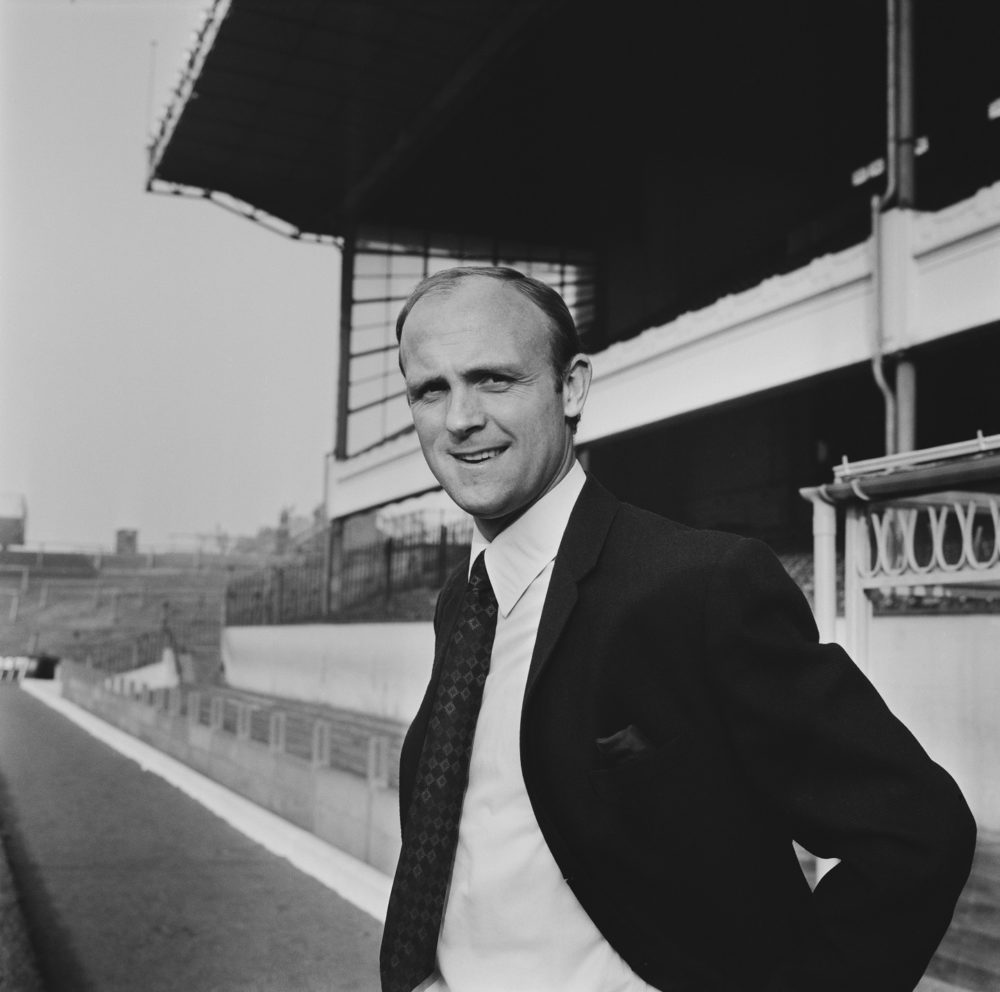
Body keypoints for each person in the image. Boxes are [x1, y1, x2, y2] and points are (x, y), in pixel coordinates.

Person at [379, 266, 975, 992]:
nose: (459, 418)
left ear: (572, 389)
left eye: (494, 379)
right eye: (429, 390)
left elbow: (917, 833)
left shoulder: (699, 586)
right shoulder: (462, 605)